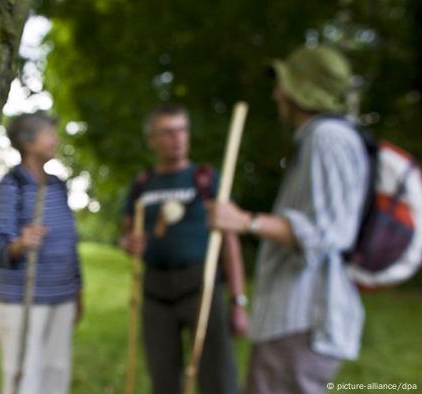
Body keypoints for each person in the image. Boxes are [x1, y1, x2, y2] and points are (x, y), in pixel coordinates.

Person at [207, 45, 369, 394]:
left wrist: (245, 221)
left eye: (283, 84)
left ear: (300, 90)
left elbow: (329, 232)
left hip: (303, 319)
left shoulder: (327, 138)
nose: (277, 94)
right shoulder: (319, 138)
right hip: (292, 321)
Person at [120, 103, 248, 394]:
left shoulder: (205, 179)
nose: (177, 138)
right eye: (167, 132)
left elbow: (230, 239)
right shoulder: (142, 183)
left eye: (182, 130)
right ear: (151, 139)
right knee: (163, 378)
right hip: (155, 290)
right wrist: (128, 243)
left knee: (218, 376)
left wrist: (238, 301)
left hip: (201, 287)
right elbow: (126, 232)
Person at [0, 111, 83, 394]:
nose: (56, 139)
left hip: (61, 295)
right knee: (23, 374)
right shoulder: (10, 186)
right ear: (29, 142)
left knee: (57, 370)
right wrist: (20, 243)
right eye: (49, 134)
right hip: (22, 299)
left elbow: (70, 243)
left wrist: (77, 290)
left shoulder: (57, 185)